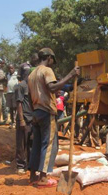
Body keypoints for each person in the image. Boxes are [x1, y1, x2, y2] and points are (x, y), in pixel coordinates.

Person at [28, 47, 80, 187]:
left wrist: (68, 86)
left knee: (37, 145)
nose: (52, 63)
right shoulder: (47, 70)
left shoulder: (32, 74)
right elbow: (52, 87)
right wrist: (70, 74)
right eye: (52, 60)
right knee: (49, 145)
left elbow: (31, 94)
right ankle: (44, 178)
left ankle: (33, 175)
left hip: (36, 112)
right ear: (49, 58)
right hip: (46, 111)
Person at [14, 60, 34, 175]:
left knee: (32, 143)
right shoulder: (20, 86)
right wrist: (21, 120)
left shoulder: (32, 86)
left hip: (32, 119)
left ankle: (30, 165)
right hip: (24, 119)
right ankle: (21, 165)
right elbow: (19, 104)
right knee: (22, 144)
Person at [6, 64, 18, 129]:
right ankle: (12, 121)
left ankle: (15, 122)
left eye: (12, 68)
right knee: (10, 108)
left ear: (14, 68)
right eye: (9, 68)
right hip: (9, 92)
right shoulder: (7, 75)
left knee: (15, 107)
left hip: (15, 93)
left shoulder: (17, 74)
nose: (11, 69)